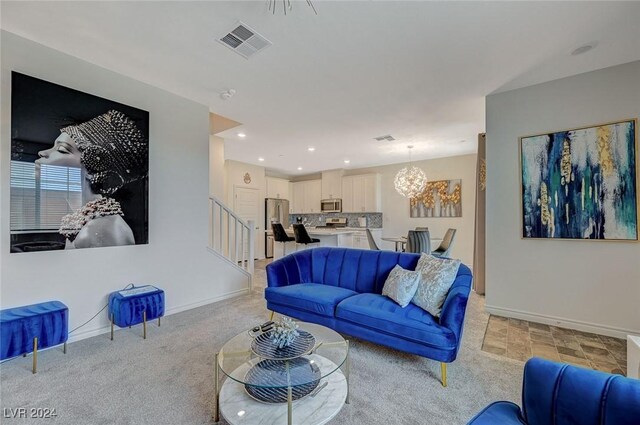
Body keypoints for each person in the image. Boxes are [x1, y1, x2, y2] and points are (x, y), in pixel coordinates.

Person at [36, 110, 148, 249]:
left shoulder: (98, 230)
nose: (42, 152)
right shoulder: (86, 224)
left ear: (94, 165)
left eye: (62, 150)